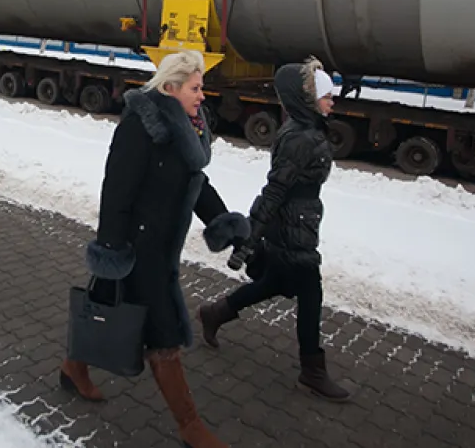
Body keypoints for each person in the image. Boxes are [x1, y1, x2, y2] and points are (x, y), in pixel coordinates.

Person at [63, 49, 250, 448]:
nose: (202, 96)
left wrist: (226, 225)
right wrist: (112, 250)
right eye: (196, 88)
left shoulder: (186, 129)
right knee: (163, 335)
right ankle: (190, 426)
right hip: (135, 250)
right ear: (170, 88)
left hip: (162, 248)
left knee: (107, 312)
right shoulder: (140, 126)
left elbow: (196, 185)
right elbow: (115, 190)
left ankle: (72, 367)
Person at [197, 57, 354, 402]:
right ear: (307, 99)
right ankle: (312, 370)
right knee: (310, 291)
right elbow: (275, 190)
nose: (333, 100)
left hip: (299, 221)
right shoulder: (301, 137)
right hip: (292, 227)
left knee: (275, 283)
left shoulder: (306, 130)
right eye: (327, 95)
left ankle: (215, 312)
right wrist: (251, 235)